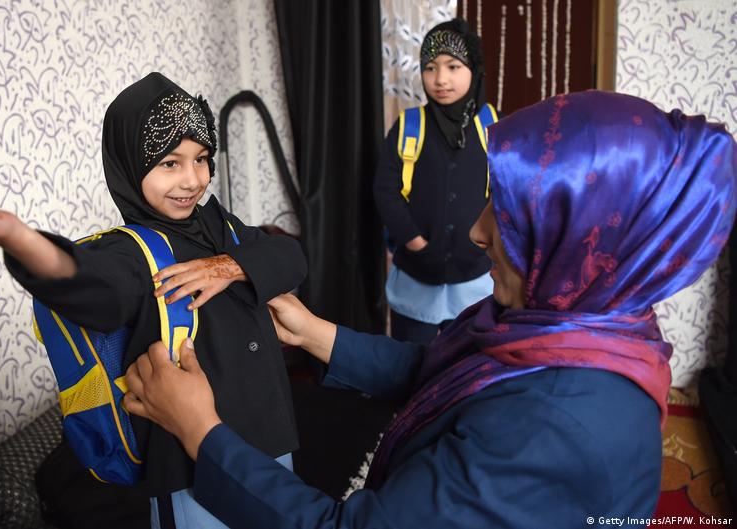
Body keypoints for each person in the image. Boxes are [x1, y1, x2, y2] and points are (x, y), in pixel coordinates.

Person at [122, 90, 737, 528]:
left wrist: (202, 432)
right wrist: (318, 335)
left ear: (579, 242)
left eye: (509, 217)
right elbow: (441, 369)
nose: (476, 231)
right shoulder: (572, 315)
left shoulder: (551, 434)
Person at [0, 72, 305, 529]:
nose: (193, 179)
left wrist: (231, 266)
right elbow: (90, 285)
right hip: (195, 463)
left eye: (201, 159)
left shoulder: (220, 224)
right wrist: (15, 236)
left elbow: (290, 257)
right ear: (129, 165)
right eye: (170, 163)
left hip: (271, 438)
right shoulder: (131, 254)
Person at [374, 18, 496, 344]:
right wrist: (415, 243)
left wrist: (483, 246)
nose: (440, 79)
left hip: (475, 282)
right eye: (430, 67)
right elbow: (385, 190)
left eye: (453, 66)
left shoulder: (492, 128)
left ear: (474, 69)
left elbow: (504, 194)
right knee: (411, 370)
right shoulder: (408, 126)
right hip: (416, 277)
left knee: (467, 372)